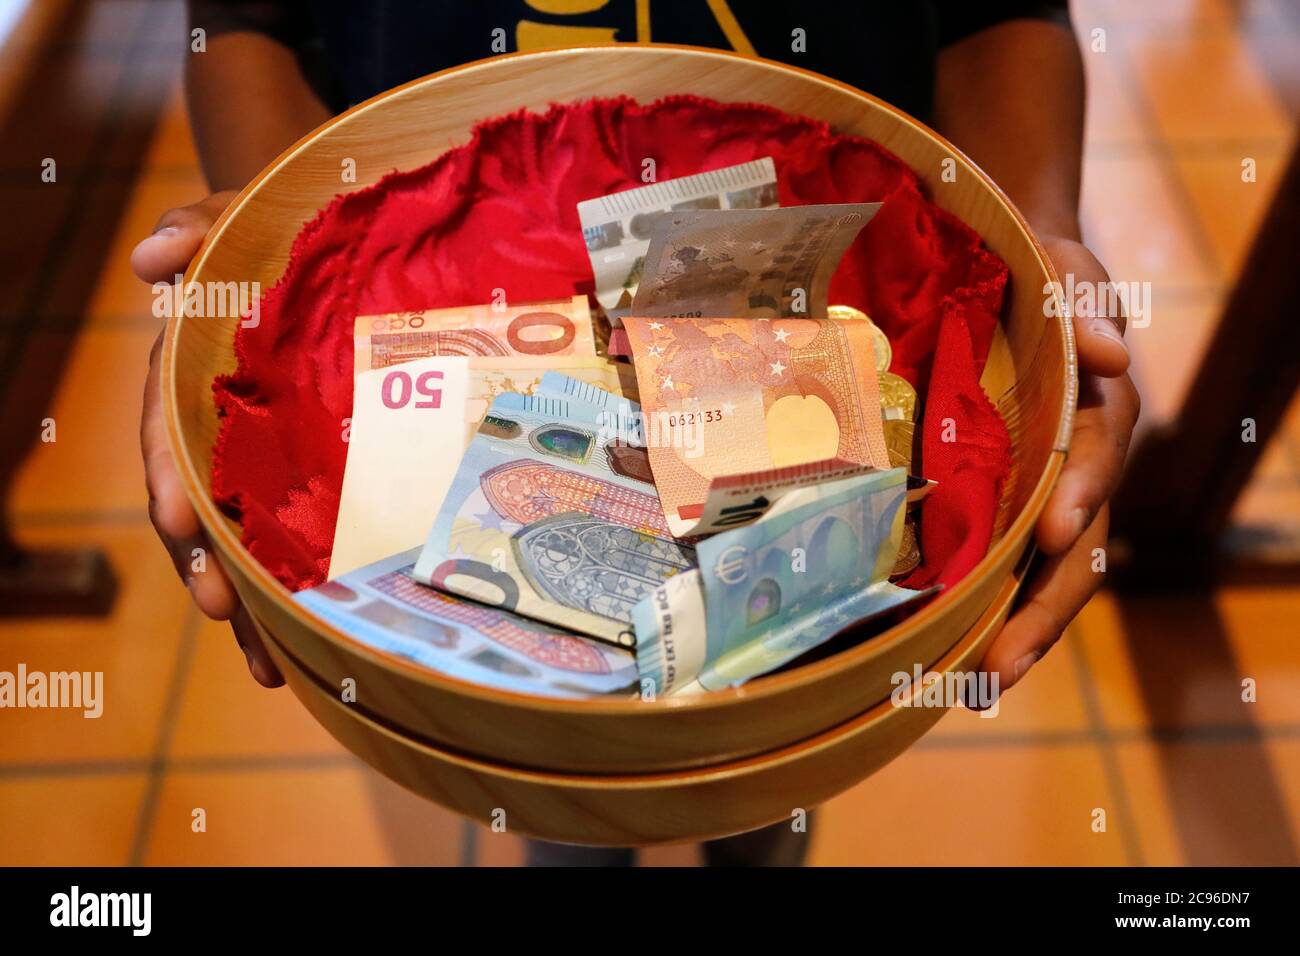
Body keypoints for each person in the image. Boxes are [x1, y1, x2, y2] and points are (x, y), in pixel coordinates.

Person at [133, 0, 1140, 866]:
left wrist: (1031, 247)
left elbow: (999, 9)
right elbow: (242, 16)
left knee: (790, 720)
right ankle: (572, 831)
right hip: (440, 216)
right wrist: (268, 246)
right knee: (545, 770)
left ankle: (752, 831)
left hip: (846, 242)